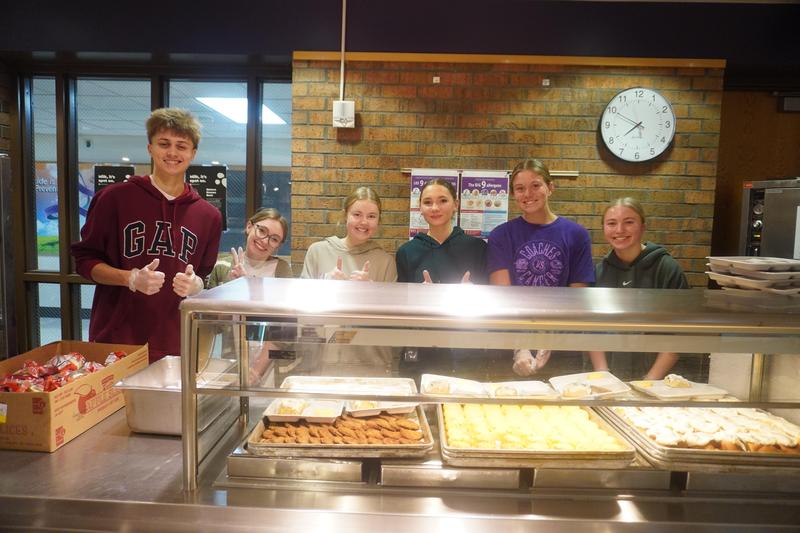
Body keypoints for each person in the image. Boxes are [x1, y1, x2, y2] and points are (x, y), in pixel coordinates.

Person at [72, 108, 222, 364]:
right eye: (164, 144)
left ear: (192, 153)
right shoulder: (114, 199)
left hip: (177, 342)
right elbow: (85, 262)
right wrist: (129, 278)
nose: (172, 153)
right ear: (150, 147)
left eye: (181, 146)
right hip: (117, 340)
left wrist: (196, 285)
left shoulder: (209, 216)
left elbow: (203, 274)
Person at [487, 158, 594, 376]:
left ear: (550, 187)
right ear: (513, 194)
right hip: (513, 343)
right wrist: (520, 346)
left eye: (535, 185)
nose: (528, 194)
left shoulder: (577, 235)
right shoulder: (501, 235)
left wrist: (550, 339)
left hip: (564, 347)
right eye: (520, 188)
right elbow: (502, 296)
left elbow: (577, 296)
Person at [589, 197, 690, 380]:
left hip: (657, 379)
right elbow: (593, 328)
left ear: (643, 227)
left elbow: (678, 334)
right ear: (604, 228)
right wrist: (604, 375)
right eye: (612, 223)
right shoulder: (600, 272)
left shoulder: (666, 269)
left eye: (629, 222)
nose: (619, 230)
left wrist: (649, 382)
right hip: (610, 377)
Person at [396, 178, 487, 284]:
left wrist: (473, 294)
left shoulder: (477, 248)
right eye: (427, 202)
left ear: (455, 204)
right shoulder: (406, 252)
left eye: (443, 201)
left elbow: (490, 295)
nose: (435, 208)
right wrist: (418, 294)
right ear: (420, 207)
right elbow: (403, 297)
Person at [301, 186, 397, 282]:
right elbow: (302, 295)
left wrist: (370, 289)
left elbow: (393, 297)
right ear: (345, 215)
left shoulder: (386, 262)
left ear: (378, 220)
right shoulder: (317, 252)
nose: (364, 222)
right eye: (357, 214)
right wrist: (325, 282)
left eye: (371, 216)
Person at [207, 208, 292, 288]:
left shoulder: (282, 269)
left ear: (278, 245)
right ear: (249, 227)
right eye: (262, 231)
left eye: (274, 239)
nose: (265, 241)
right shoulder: (222, 266)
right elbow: (208, 303)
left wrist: (246, 284)